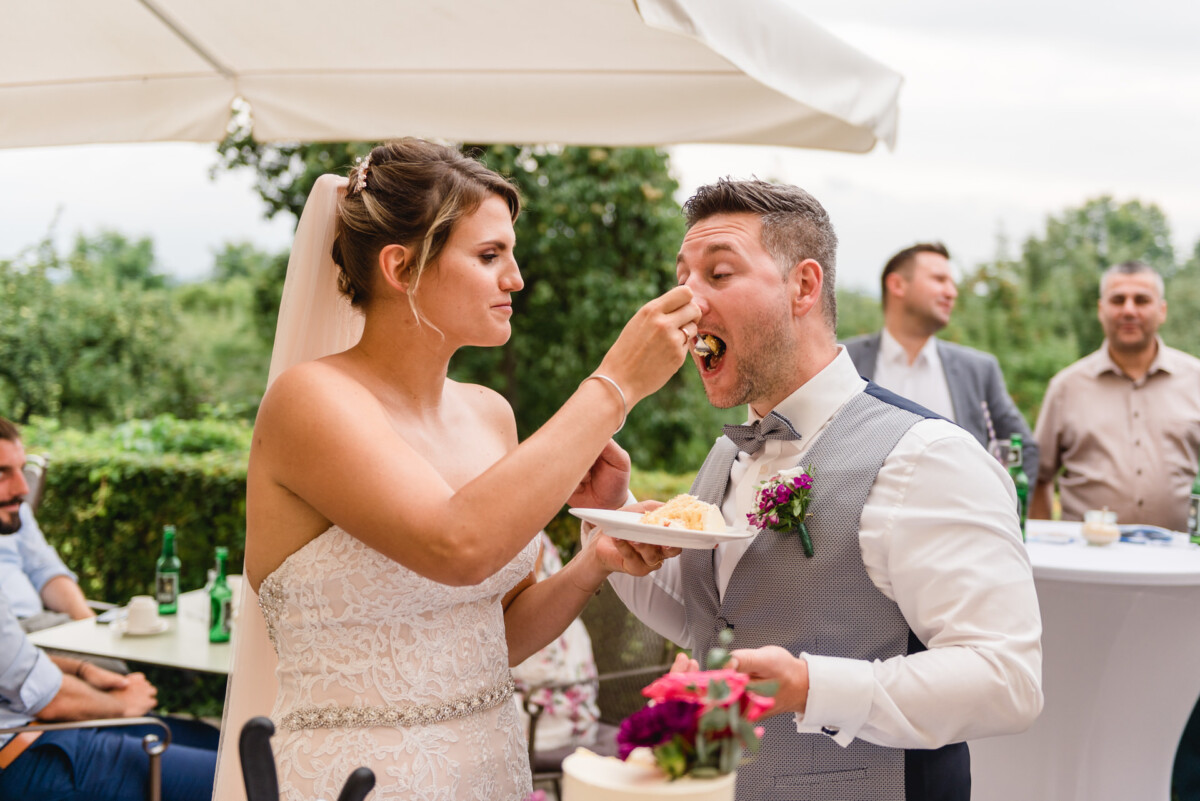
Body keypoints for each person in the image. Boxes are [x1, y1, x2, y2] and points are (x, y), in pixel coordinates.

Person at [215, 138, 698, 801]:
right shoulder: (310, 402)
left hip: (490, 771)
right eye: (490, 254)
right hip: (356, 783)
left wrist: (596, 560)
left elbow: (488, 633)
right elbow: (457, 545)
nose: (517, 278)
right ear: (400, 266)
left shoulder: (491, 414)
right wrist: (613, 386)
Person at [584, 179, 1043, 800]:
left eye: (717, 274)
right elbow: (716, 619)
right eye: (682, 276)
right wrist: (614, 513)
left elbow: (1007, 679)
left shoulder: (928, 457)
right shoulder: (729, 450)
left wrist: (809, 687)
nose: (684, 302)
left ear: (804, 286)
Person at [0, 420, 218, 801]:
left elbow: (16, 660)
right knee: (240, 770)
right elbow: (49, 699)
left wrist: (84, 667)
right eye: (2, 474)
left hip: (41, 728)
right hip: (26, 757)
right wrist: (121, 705)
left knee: (217, 739)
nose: (23, 488)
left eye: (20, 469)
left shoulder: (15, 519)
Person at [1031, 260, 1200, 530]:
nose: (1129, 310)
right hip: (1085, 561)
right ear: (1101, 309)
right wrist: (1042, 546)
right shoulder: (1065, 387)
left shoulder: (1196, 380)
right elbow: (1039, 476)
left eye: (1142, 300)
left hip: (1180, 561)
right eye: (1118, 300)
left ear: (1162, 310)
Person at [842, 242, 1037, 469]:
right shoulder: (844, 361)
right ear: (897, 285)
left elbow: (1024, 447)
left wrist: (1008, 503)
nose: (952, 292)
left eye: (952, 283)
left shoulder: (979, 370)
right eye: (939, 279)